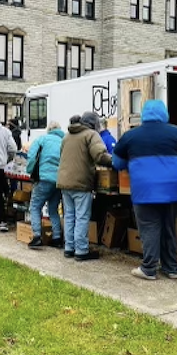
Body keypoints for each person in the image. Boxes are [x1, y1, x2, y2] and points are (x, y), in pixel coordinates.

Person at [113, 99, 177, 280]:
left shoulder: (131, 136)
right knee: (169, 227)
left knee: (149, 228)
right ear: (164, 114)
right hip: (172, 190)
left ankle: (149, 269)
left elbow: (117, 162)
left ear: (143, 114)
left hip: (144, 191)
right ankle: (172, 268)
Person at [56, 111, 112, 260]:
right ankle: (81, 250)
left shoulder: (66, 136)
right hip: (81, 182)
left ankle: (69, 248)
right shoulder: (91, 135)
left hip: (64, 182)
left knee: (69, 216)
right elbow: (100, 156)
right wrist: (115, 161)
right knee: (81, 216)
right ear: (94, 124)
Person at [25, 122, 65, 249]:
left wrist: (29, 170)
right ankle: (57, 238)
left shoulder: (42, 139)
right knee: (53, 209)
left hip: (44, 178)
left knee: (35, 206)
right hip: (59, 180)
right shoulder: (64, 141)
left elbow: (31, 157)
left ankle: (37, 236)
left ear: (49, 130)